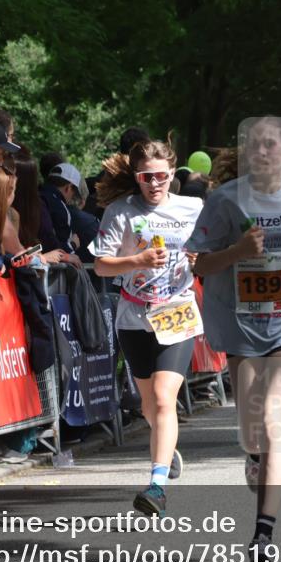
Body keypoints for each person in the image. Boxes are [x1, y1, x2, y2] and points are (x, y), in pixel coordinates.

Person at [187, 116, 281, 562]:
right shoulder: (224, 200)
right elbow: (199, 264)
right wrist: (237, 252)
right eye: (254, 145)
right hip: (242, 327)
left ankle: (263, 537)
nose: (262, 152)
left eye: (271, 145)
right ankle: (253, 456)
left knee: (273, 419)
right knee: (252, 430)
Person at [92, 138, 204, 519]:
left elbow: (214, 252)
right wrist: (136, 260)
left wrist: (200, 258)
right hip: (134, 315)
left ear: (172, 173)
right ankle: (165, 447)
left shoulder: (192, 208)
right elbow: (101, 265)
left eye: (160, 176)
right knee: (148, 406)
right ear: (136, 177)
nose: (154, 184)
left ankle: (156, 486)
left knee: (162, 397)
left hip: (178, 311)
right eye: (146, 177)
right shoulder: (120, 212)